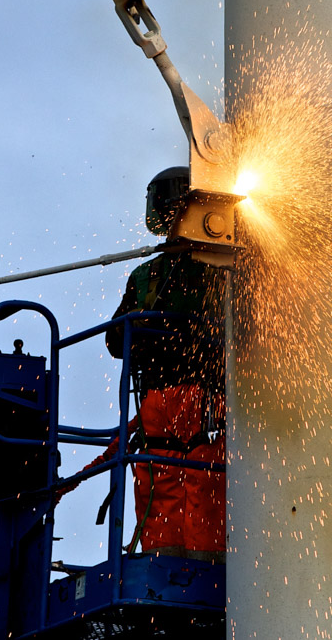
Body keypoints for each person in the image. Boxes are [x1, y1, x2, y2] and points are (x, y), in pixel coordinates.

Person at [105, 166, 227, 561]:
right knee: (185, 479)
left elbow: (116, 339)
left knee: (171, 479)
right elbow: (117, 339)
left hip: (180, 398)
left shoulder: (156, 274)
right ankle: (187, 568)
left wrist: (146, 329)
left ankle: (173, 569)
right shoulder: (215, 268)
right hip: (189, 399)